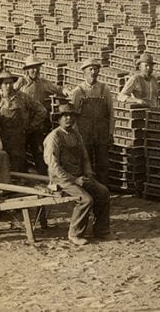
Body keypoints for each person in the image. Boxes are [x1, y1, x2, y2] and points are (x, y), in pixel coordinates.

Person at [43, 103, 111, 246]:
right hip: (61, 180)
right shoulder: (54, 137)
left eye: (72, 116)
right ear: (59, 119)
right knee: (85, 200)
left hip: (79, 177)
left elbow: (85, 158)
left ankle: (101, 230)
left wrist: (89, 174)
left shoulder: (76, 135)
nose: (69, 119)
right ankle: (75, 234)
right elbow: (54, 167)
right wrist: (74, 179)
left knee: (103, 192)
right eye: (65, 116)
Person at [0, 70, 48, 173]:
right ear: (0, 85)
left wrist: (31, 126)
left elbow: (41, 111)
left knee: (18, 164)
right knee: (2, 164)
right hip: (2, 137)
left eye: (10, 83)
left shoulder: (23, 97)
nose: (9, 86)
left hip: (18, 138)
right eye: (5, 83)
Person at [66, 60, 113, 184]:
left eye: (95, 69)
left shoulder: (105, 89)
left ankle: (103, 190)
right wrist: (75, 134)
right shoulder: (78, 91)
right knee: (85, 163)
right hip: (84, 133)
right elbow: (73, 115)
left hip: (101, 132)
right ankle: (88, 188)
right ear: (84, 72)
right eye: (90, 69)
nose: (93, 72)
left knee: (103, 163)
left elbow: (111, 113)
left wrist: (110, 132)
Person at [16, 55, 64, 173]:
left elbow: (57, 89)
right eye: (32, 68)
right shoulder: (21, 83)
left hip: (37, 124)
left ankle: (43, 177)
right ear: (27, 70)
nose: (35, 71)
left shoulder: (43, 83)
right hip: (22, 124)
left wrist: (64, 90)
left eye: (37, 68)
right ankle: (23, 177)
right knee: (20, 152)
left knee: (39, 151)